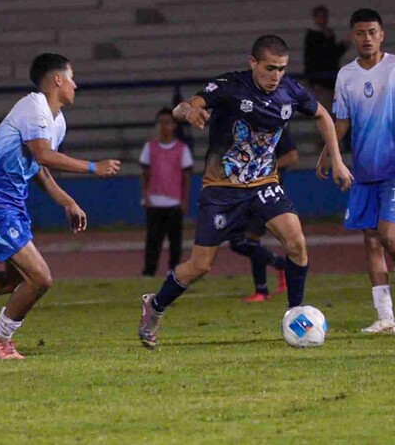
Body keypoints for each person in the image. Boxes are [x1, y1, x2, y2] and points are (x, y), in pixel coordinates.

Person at [139, 35, 353, 350]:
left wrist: (336, 159)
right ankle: (154, 306)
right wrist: (190, 113)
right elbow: (186, 105)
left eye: (281, 69)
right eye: (269, 68)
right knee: (200, 266)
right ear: (253, 63)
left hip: (264, 184)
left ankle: (294, 313)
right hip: (222, 189)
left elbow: (322, 115)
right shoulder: (230, 86)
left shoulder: (290, 91)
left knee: (297, 244)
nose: (275, 76)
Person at [0, 53, 121, 359]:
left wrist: (67, 202)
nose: (75, 85)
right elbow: (43, 156)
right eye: (71, 77)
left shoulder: (58, 122)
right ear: (58, 80)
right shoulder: (34, 107)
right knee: (40, 277)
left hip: (12, 205)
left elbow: (40, 168)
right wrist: (94, 167)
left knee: (17, 279)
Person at [317, 9, 395, 334]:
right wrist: (329, 152)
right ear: (352, 37)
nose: (366, 38)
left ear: (382, 34)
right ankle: (385, 318)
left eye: (372, 32)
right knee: (370, 242)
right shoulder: (346, 76)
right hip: (364, 170)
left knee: (386, 235)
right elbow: (342, 120)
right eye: (360, 33)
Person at [229, 126, 298, 302]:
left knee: (249, 240)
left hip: (267, 192)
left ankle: (262, 290)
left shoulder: (277, 126)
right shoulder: (247, 127)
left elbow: (292, 157)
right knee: (239, 241)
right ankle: (279, 266)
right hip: (245, 191)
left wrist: (263, 167)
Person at [139, 107, 194, 276]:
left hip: (174, 203)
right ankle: (149, 271)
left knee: (175, 241)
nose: (164, 126)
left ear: (174, 126)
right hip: (154, 202)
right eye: (161, 123)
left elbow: (186, 177)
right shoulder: (150, 147)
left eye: (168, 123)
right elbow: (145, 174)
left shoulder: (181, 148)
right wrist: (146, 196)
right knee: (153, 240)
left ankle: (174, 272)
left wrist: (184, 200)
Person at [304, 5, 349, 111]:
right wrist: (313, 81)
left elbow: (332, 56)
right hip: (321, 80)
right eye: (320, 17)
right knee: (326, 111)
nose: (324, 19)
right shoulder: (313, 36)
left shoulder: (328, 34)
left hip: (330, 80)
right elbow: (316, 58)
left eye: (325, 16)